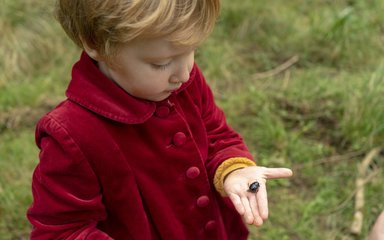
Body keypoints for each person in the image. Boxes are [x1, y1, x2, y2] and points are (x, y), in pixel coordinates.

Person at [27, 0, 293, 239]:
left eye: (191, 51)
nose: (184, 73)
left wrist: (233, 170)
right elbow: (63, 231)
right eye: (161, 63)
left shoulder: (182, 84)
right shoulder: (71, 134)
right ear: (96, 44)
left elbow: (214, 133)